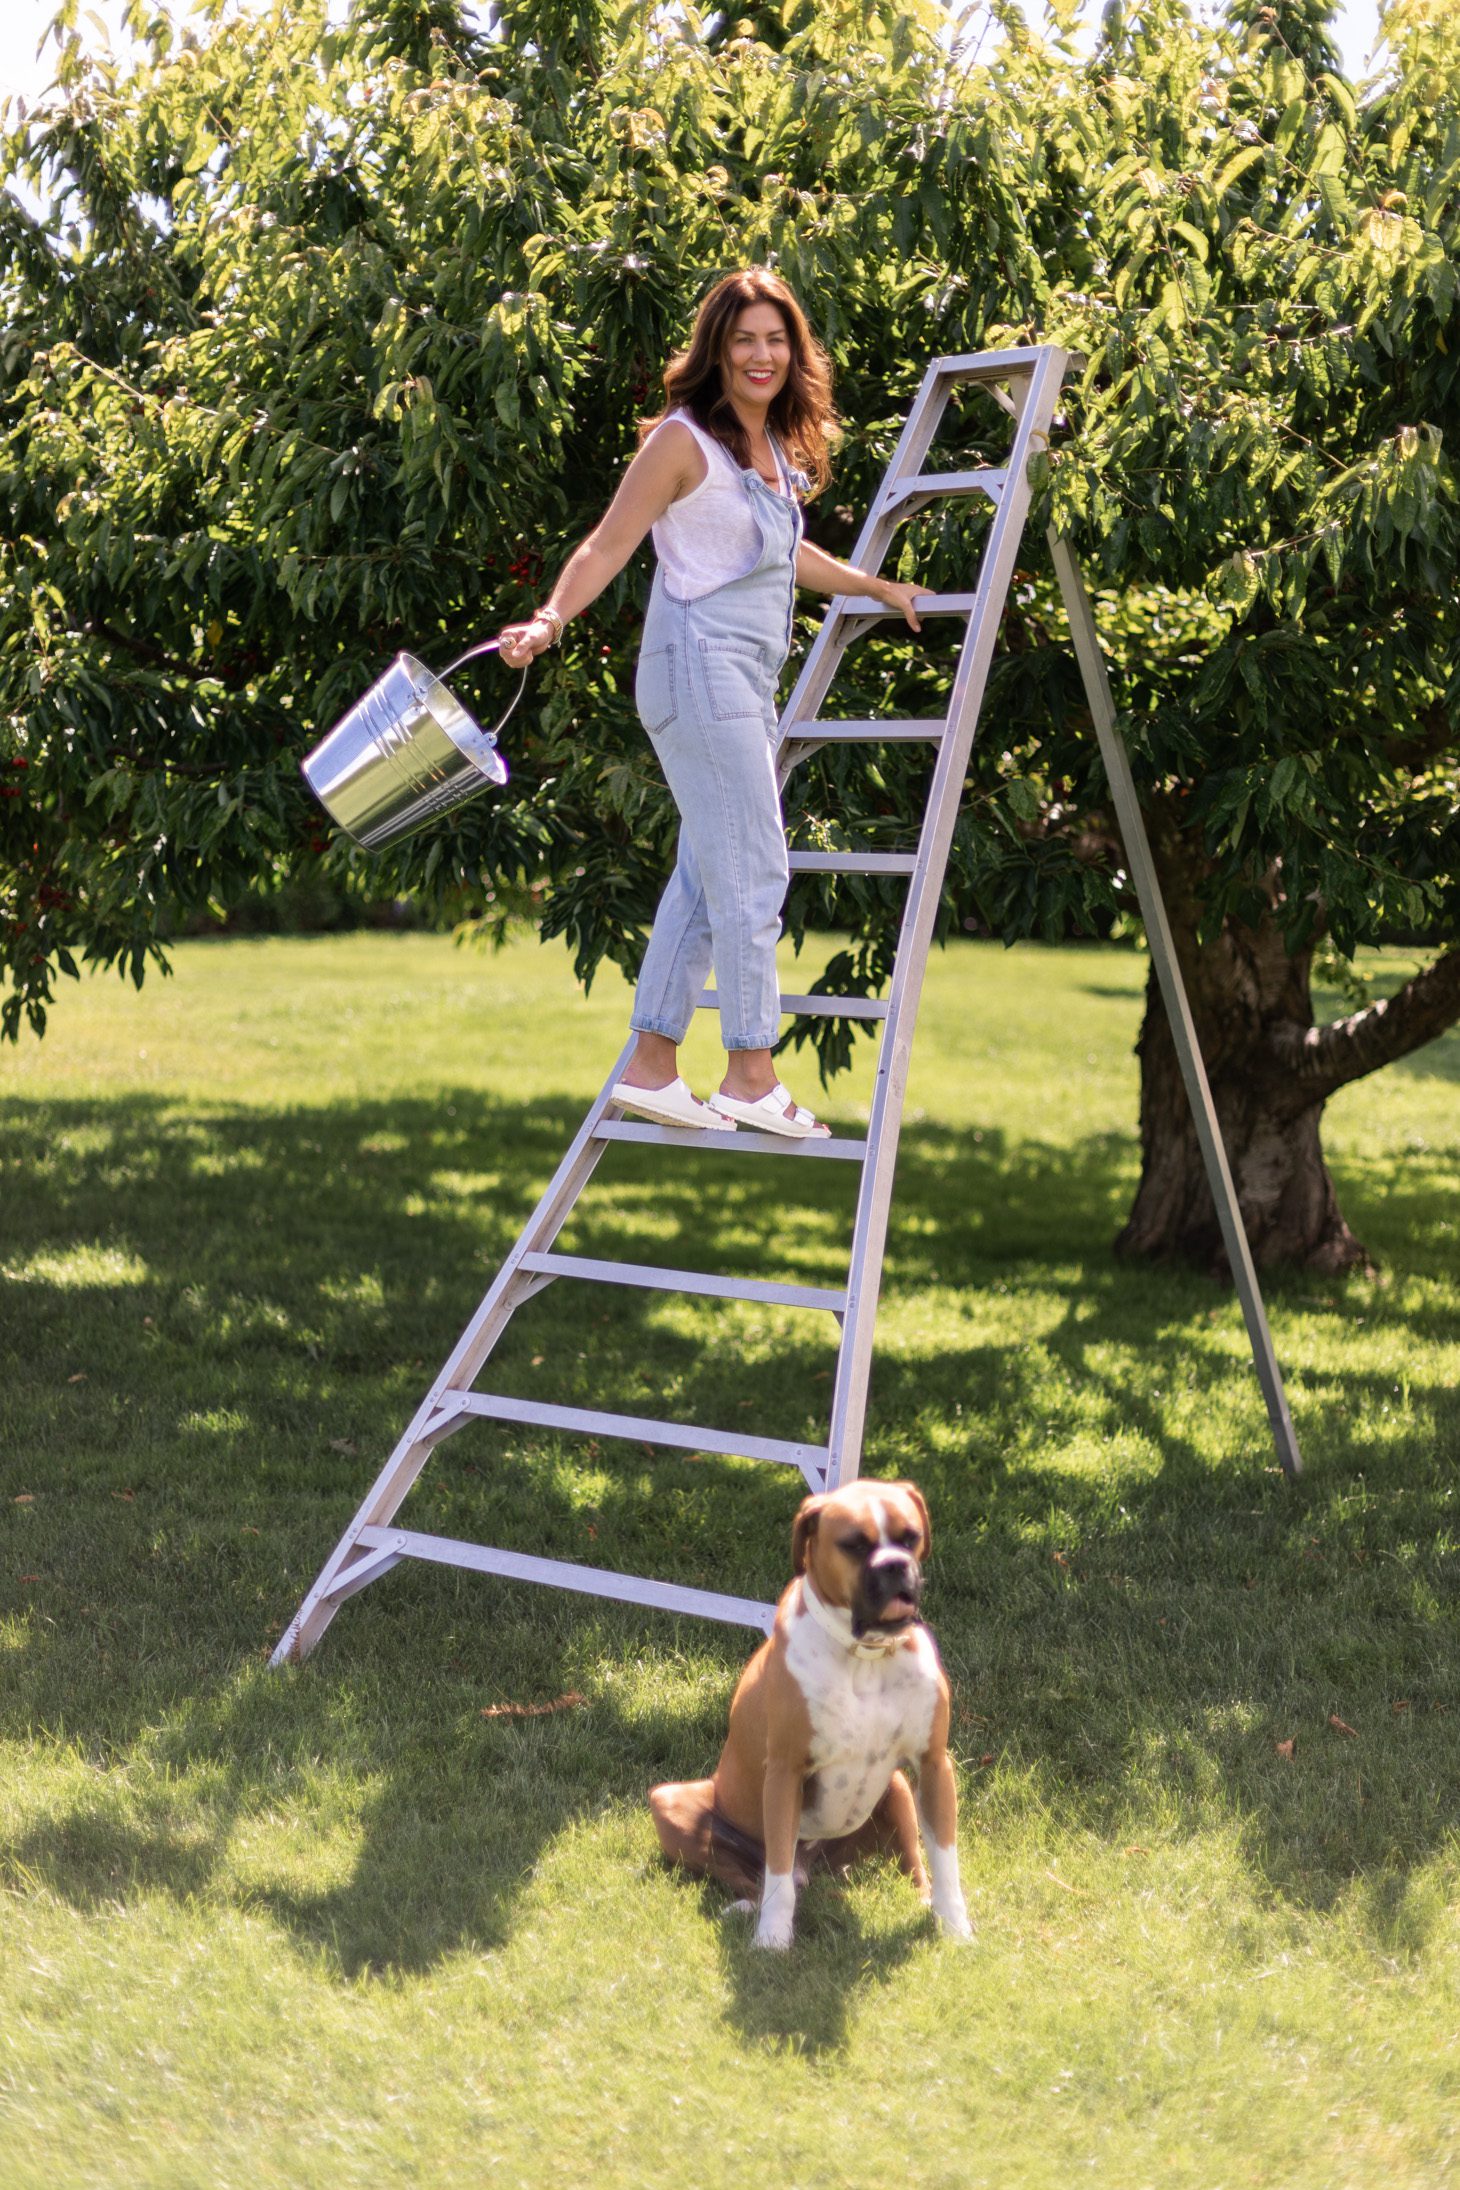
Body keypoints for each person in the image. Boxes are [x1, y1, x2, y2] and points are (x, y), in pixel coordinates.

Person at [496, 267, 925, 1138]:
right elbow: (607, 545)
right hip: (697, 667)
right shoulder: (682, 442)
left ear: (794, 353)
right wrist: (548, 618)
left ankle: (653, 1065)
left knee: (703, 873)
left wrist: (876, 588)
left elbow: (784, 561)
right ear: (716, 351)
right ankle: (750, 1074)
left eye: (776, 339)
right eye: (744, 340)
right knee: (756, 870)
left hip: (740, 681)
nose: (761, 355)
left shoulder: (773, 456)